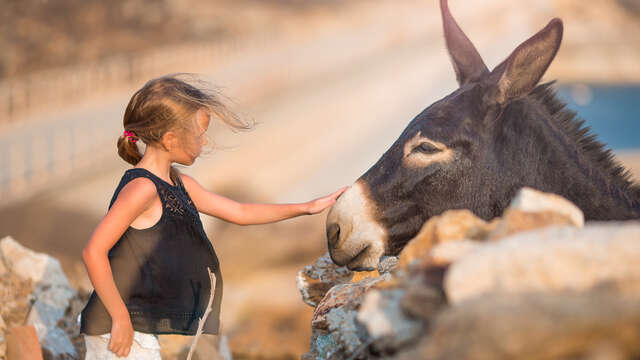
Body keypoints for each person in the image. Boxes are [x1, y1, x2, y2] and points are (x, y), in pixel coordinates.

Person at [78, 74, 348, 359]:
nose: (205, 142)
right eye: (199, 134)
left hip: (139, 326)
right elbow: (93, 251)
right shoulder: (142, 189)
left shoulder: (179, 184)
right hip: (117, 327)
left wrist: (306, 207)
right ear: (170, 139)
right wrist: (119, 318)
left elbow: (241, 212)